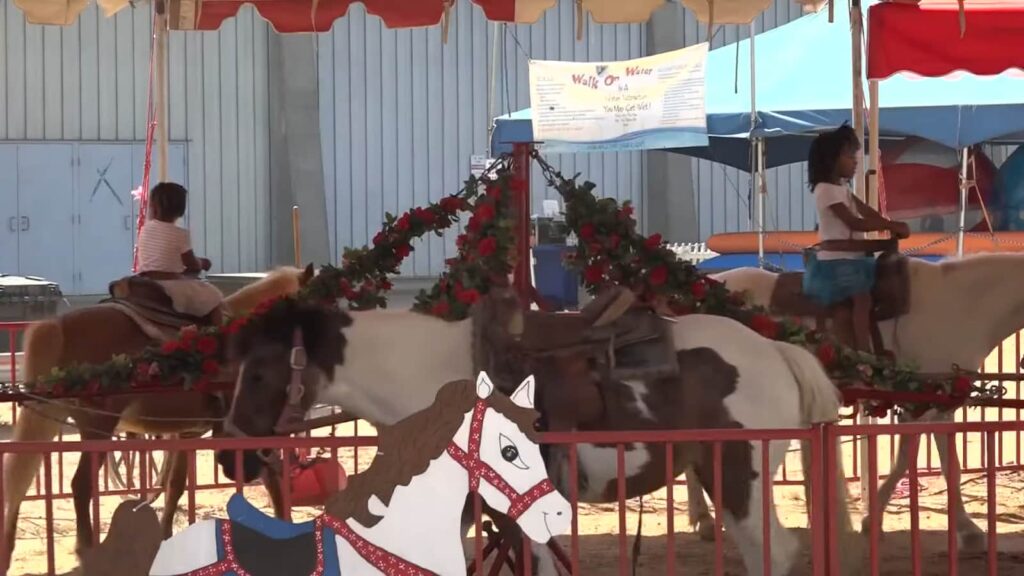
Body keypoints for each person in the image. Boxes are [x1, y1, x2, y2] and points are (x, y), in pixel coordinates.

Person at [803, 125, 910, 353]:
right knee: (862, 300)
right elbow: (854, 222)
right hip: (837, 259)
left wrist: (888, 223)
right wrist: (890, 225)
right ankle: (863, 350)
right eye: (849, 156)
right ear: (832, 160)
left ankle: (879, 343)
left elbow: (867, 212)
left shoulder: (842, 188)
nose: (854, 161)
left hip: (853, 257)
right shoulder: (825, 190)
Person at [135, 182, 224, 324]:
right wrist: (203, 262)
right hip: (170, 282)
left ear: (153, 206)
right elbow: (190, 263)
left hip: (144, 279)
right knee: (213, 296)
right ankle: (217, 334)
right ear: (180, 209)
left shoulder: (145, 229)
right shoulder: (180, 234)